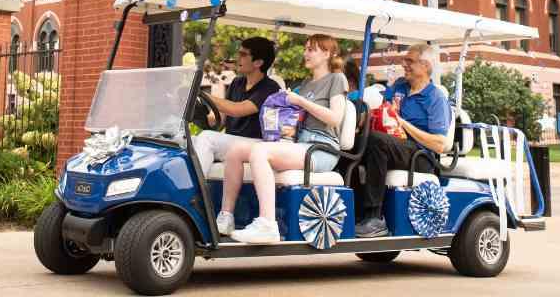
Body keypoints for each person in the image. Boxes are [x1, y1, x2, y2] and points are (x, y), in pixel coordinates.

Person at [219, 34, 349, 243]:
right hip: (300, 144)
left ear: (327, 54)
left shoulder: (336, 79)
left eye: (311, 49)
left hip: (322, 148)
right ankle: (226, 217)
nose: (305, 53)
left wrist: (300, 101)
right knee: (235, 150)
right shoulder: (306, 84)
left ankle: (268, 224)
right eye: (305, 48)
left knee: (260, 151)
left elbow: (334, 118)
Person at [352, 43, 451, 238]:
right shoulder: (399, 86)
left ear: (425, 66)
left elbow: (439, 144)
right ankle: (354, 211)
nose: (404, 64)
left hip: (421, 156)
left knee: (377, 141)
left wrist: (403, 123)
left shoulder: (435, 98)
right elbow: (383, 109)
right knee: (354, 143)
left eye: (410, 61)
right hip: (394, 144)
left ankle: (375, 217)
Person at [192, 36, 280, 176]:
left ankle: (190, 190)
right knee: (187, 141)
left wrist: (197, 93)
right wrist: (196, 111)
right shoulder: (237, 83)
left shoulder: (270, 88)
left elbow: (237, 109)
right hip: (234, 142)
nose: (237, 58)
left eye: (243, 54)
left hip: (256, 144)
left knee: (207, 138)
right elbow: (218, 119)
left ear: (258, 62)